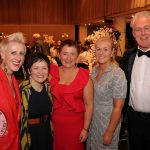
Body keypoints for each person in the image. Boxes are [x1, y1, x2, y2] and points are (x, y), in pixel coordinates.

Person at [49, 39, 93, 150]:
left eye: (72, 54)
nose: (68, 58)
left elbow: (89, 105)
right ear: (59, 55)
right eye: (65, 54)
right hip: (56, 126)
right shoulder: (51, 73)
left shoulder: (85, 77)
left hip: (76, 128)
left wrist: (85, 129)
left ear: (77, 56)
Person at [87, 37, 127, 150]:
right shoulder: (94, 70)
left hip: (107, 124)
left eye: (105, 49)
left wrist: (110, 132)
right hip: (93, 122)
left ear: (112, 52)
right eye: (98, 49)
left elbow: (118, 107)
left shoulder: (118, 74)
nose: (101, 53)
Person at [121, 11, 150, 150]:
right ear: (133, 34)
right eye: (138, 29)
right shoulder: (128, 56)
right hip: (134, 121)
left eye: (147, 28)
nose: (143, 33)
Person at [20, 53, 53, 150]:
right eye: (36, 68)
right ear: (29, 70)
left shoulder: (47, 87)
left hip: (46, 133)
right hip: (30, 135)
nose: (40, 72)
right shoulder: (23, 91)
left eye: (44, 68)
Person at [0, 32, 26, 150]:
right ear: (2, 54)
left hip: (13, 144)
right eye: (13, 53)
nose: (18, 58)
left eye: (21, 53)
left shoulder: (13, 79)